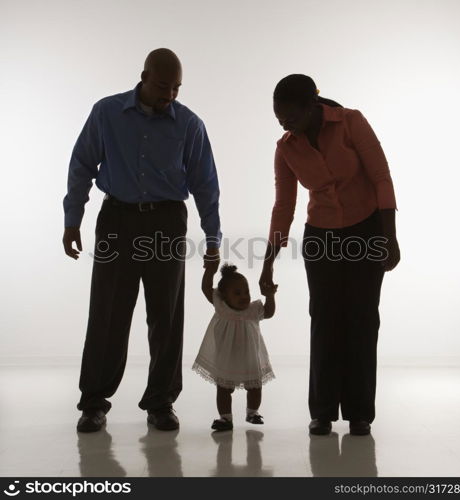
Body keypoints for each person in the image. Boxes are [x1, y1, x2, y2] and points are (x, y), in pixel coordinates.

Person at [62, 48, 222, 433]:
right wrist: (73, 221)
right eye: (163, 86)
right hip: (117, 218)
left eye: (177, 88)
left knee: (165, 316)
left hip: (167, 222)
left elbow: (205, 184)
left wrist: (213, 237)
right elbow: (82, 164)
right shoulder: (106, 113)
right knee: (108, 314)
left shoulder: (190, 124)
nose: (170, 95)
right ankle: (94, 403)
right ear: (144, 76)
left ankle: (161, 402)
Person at [259, 74, 400, 436]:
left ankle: (359, 414)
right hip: (321, 237)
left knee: (362, 318)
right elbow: (283, 206)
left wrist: (389, 237)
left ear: (312, 107)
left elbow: (381, 177)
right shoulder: (286, 148)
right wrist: (268, 263)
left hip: (365, 228)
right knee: (324, 318)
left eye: (290, 117)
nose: (284, 125)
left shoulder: (351, 122)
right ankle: (322, 412)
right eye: (279, 118)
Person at [192, 264, 277, 431]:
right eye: (237, 293)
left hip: (250, 356)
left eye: (246, 292)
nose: (244, 296)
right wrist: (210, 271)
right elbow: (206, 288)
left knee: (255, 386)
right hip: (227, 357)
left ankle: (252, 412)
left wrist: (270, 296)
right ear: (224, 296)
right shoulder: (221, 307)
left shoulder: (253, 310)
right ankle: (225, 418)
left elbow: (269, 312)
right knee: (224, 388)